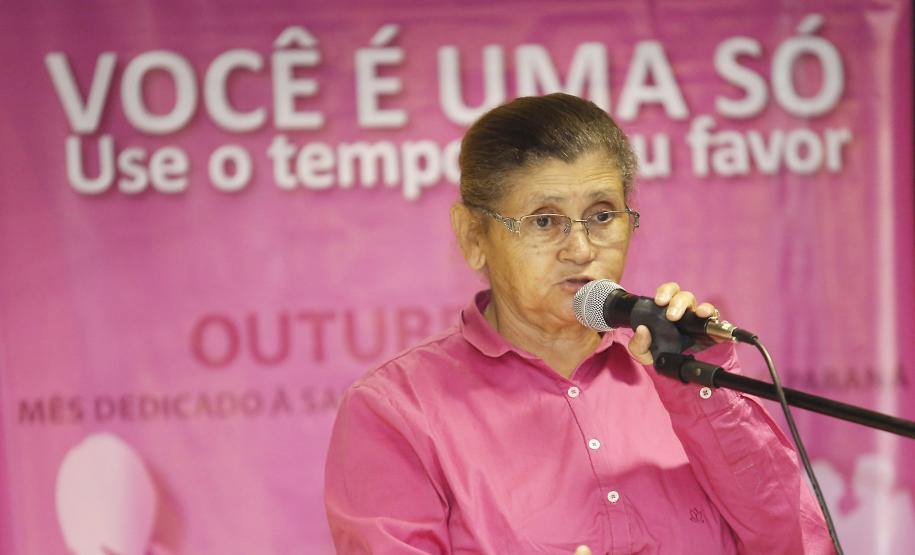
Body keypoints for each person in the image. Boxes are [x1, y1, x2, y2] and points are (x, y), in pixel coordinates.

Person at [324, 93, 832, 554]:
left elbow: (798, 543)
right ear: (474, 236)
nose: (581, 249)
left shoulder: (681, 373)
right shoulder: (395, 409)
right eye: (545, 220)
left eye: (603, 215)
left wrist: (702, 393)